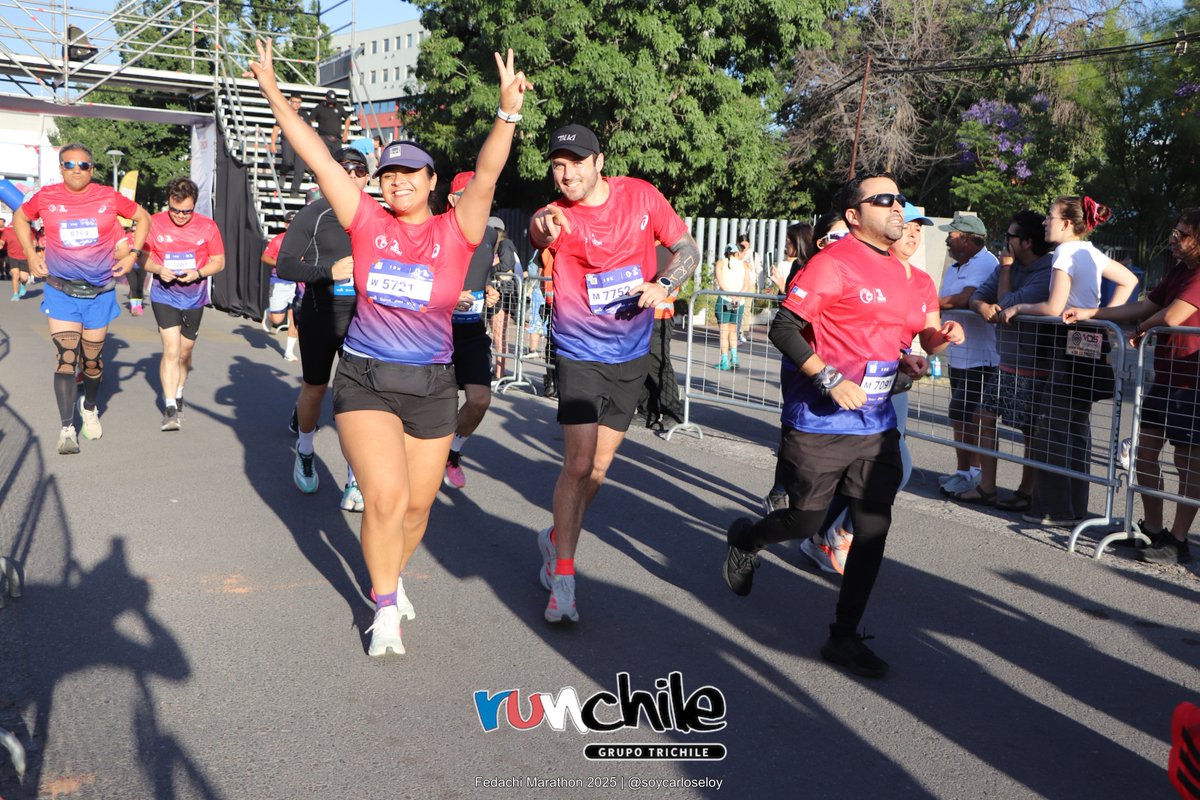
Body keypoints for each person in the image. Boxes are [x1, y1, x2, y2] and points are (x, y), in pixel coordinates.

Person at [247, 38, 530, 657]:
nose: (397, 182)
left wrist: (506, 114)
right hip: (366, 379)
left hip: (432, 386)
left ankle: (390, 576)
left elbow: (486, 174)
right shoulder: (367, 222)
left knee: (417, 511)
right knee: (386, 497)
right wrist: (273, 95)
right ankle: (383, 608)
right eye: (389, 174)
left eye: (409, 173)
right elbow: (320, 159)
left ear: (431, 182)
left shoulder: (459, 230)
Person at [721, 174, 963, 678]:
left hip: (876, 424)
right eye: (884, 200)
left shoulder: (910, 277)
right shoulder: (833, 264)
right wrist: (829, 377)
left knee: (873, 529)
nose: (898, 208)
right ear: (854, 216)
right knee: (806, 521)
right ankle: (748, 539)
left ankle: (844, 636)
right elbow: (784, 328)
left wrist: (932, 346)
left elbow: (913, 342)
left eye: (900, 200)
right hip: (820, 421)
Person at [529, 123, 700, 624]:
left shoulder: (641, 197)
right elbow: (541, 227)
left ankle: (555, 538)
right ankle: (564, 579)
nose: (566, 174)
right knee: (579, 464)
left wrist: (664, 283)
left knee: (599, 471)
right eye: (558, 165)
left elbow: (687, 249)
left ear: (599, 162)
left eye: (576, 163)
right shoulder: (557, 214)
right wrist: (544, 225)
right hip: (578, 351)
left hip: (631, 355)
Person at [799, 203, 950, 574]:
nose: (914, 234)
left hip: (891, 386)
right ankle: (813, 530)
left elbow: (930, 341)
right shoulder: (860, 269)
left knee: (895, 468)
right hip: (847, 382)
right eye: (908, 225)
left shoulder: (922, 282)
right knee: (844, 469)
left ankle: (836, 534)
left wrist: (945, 338)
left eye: (920, 229)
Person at [1062, 208, 1200, 565]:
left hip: (1192, 382)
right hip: (1167, 377)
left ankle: (1179, 540)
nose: (1174, 237)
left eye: (1182, 233)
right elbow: (1144, 305)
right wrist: (1092, 314)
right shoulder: (1180, 271)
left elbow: (1171, 317)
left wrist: (1139, 332)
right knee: (1143, 453)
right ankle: (1153, 531)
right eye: (1175, 230)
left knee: (1188, 462)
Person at [999, 195, 1139, 526]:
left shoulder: (1065, 252)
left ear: (1066, 223)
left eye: (1050, 216)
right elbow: (1130, 280)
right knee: (1077, 427)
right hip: (1089, 339)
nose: (1046, 222)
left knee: (1055, 425)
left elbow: (1052, 307)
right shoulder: (1090, 251)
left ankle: (1054, 510)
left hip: (1067, 341)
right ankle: (1075, 508)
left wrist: (1018, 308)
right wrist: (1104, 317)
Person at [12, 143, 151, 454]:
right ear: (61, 168)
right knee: (65, 357)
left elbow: (144, 219)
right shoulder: (46, 197)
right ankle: (67, 427)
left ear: (93, 169)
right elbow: (21, 219)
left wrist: (133, 257)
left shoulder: (108, 196)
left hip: (100, 291)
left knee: (91, 362)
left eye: (84, 165)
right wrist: (31, 254)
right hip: (61, 289)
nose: (77, 169)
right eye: (70, 164)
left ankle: (89, 406)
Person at [275, 147, 370, 506]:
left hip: (363, 322)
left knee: (355, 400)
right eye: (342, 168)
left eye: (358, 170)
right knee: (315, 391)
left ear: (366, 178)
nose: (350, 175)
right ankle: (305, 449)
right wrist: (326, 273)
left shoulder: (379, 217)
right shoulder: (314, 214)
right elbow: (284, 265)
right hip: (319, 315)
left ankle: (353, 477)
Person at [964, 210, 1055, 509]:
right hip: (1006, 363)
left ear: (1027, 242)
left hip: (1036, 367)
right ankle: (987, 488)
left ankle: (1025, 493)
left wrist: (1005, 271)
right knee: (984, 417)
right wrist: (980, 307)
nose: (1005, 241)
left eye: (1010, 236)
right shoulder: (1009, 266)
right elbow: (980, 296)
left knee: (1031, 431)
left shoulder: (1048, 270)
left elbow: (1006, 304)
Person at [138, 177, 225, 431]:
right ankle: (170, 407)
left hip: (195, 296)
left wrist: (198, 273)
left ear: (194, 206)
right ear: (168, 203)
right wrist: (158, 269)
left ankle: (179, 391)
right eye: (175, 210)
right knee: (171, 350)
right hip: (164, 295)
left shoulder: (207, 227)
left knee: (185, 352)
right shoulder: (154, 222)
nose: (180, 216)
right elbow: (142, 257)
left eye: (187, 211)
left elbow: (219, 261)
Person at [765, 216, 830, 513]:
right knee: (793, 430)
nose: (787, 247)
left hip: (824, 357)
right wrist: (782, 289)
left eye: (790, 242)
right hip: (796, 360)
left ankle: (811, 495)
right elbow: (788, 319)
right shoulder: (797, 268)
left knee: (821, 433)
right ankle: (779, 492)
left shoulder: (824, 269)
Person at [935, 213, 1000, 496]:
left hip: (981, 356)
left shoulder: (986, 262)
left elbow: (967, 297)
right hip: (960, 353)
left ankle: (970, 474)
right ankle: (968, 472)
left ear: (970, 240)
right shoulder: (955, 266)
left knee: (966, 415)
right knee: (962, 415)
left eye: (953, 234)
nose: (948, 238)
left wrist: (929, 303)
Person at [444, 171, 499, 490]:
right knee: (439, 405)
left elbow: (476, 273)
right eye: (470, 193)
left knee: (479, 399)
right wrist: (450, 296)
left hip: (473, 331)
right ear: (453, 200)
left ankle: (453, 452)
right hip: (437, 331)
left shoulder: (490, 234)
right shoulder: (438, 229)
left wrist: (488, 290)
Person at [637, 243, 684, 430]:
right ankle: (646, 410)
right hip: (644, 315)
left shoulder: (664, 251)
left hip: (659, 316)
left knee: (659, 365)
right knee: (642, 363)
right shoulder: (648, 247)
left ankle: (672, 412)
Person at [261, 210, 300, 362]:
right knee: (277, 320)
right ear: (286, 224)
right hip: (280, 281)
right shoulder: (278, 240)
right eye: (291, 223)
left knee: (295, 319)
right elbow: (264, 257)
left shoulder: (305, 240)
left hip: (298, 283)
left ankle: (289, 352)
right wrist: (280, 264)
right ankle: (269, 313)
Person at [488, 217, 519, 380]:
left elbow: (507, 264)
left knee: (499, 335)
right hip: (497, 291)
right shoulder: (496, 246)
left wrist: (488, 269)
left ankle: (500, 373)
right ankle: (495, 370)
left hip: (504, 293)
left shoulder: (505, 244)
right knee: (494, 333)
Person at [713, 244, 752, 370]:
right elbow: (746, 284)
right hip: (738, 302)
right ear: (737, 253)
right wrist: (738, 296)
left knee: (724, 332)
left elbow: (721, 282)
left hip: (725, 300)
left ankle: (724, 361)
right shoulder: (744, 265)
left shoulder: (721, 263)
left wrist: (730, 294)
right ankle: (734, 357)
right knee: (733, 330)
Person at [269, 93, 308, 197]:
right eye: (294, 102)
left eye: (299, 102)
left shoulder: (304, 114)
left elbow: (310, 130)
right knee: (288, 161)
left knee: (300, 169)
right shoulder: (284, 112)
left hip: (300, 143)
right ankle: (283, 174)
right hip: (287, 140)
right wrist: (272, 143)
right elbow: (276, 127)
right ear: (290, 101)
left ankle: (294, 191)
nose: (296, 104)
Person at [305, 89, 353, 158]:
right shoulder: (319, 108)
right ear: (326, 98)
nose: (331, 104)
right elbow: (310, 120)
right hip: (324, 137)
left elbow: (347, 119)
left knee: (337, 159)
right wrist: (313, 131)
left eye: (333, 102)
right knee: (325, 157)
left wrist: (345, 133)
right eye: (330, 102)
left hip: (337, 139)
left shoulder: (339, 107)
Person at [735, 233, 759, 343]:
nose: (744, 244)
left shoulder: (754, 254)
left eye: (746, 241)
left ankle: (743, 331)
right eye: (742, 241)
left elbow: (759, 271)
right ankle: (733, 329)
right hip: (737, 283)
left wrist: (760, 287)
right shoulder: (736, 254)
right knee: (735, 306)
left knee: (746, 308)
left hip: (750, 283)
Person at [1, 216, 31, 301]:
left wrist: (33, 246)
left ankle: (22, 285)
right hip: (12, 256)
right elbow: (2, 240)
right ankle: (15, 294)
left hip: (25, 257)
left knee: (24, 277)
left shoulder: (27, 230)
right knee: (15, 275)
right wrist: (1, 244)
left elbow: (33, 241)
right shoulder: (7, 231)